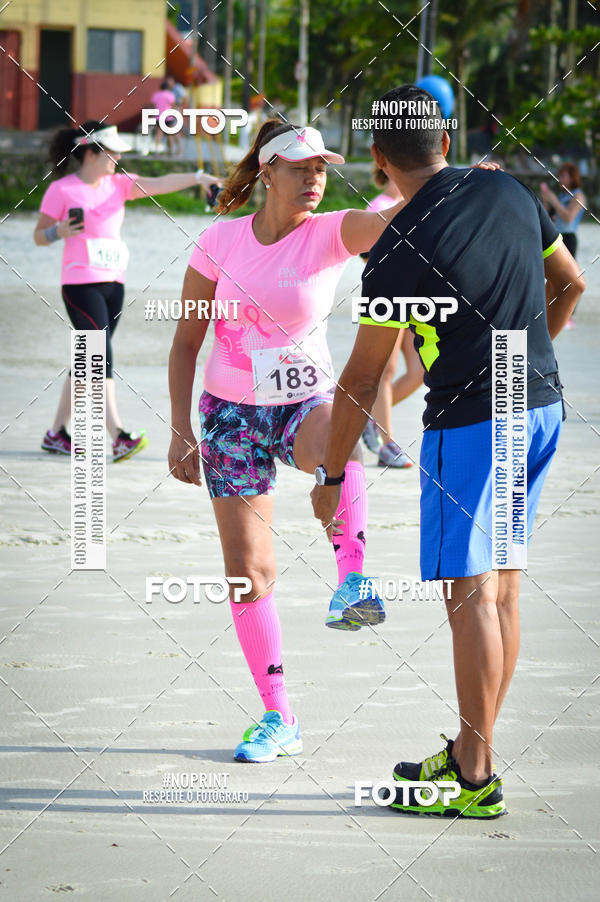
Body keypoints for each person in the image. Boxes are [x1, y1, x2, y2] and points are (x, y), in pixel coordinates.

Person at [311, 84, 585, 817]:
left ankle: (475, 778)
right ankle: (472, 750)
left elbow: (363, 378)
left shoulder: (396, 252)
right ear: (446, 138)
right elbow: (571, 284)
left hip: (471, 425)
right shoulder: (514, 193)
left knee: (471, 599)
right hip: (541, 408)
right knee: (504, 589)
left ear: (376, 160)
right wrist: (525, 363)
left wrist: (332, 476)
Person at [167, 120, 406, 764]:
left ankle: (352, 579)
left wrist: (460, 189)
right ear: (267, 172)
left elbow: (395, 221)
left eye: (322, 168)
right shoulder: (218, 241)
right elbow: (187, 341)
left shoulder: (330, 232)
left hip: (305, 403)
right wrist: (179, 428)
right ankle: (279, 715)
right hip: (231, 415)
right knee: (249, 574)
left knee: (346, 433)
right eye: (300, 168)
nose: (314, 179)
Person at [35, 120, 219, 461]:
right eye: (112, 150)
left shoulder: (118, 185)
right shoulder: (61, 190)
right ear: (90, 152)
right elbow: (38, 235)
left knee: (87, 359)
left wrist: (199, 177)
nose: (118, 156)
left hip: (114, 285)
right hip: (79, 284)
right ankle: (118, 434)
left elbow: (160, 183)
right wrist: (58, 231)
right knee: (99, 356)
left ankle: (56, 433)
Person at [361, 164, 423, 469]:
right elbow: (367, 254)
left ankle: (364, 417)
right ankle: (387, 444)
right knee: (386, 371)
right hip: (387, 295)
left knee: (419, 371)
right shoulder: (380, 206)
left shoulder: (419, 199)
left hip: (416, 297)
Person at [541, 163, 586, 326]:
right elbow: (549, 218)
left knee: (570, 277)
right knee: (550, 276)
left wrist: (554, 200)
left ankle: (569, 315)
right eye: (559, 176)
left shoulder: (578, 196)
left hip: (569, 237)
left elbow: (568, 218)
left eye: (563, 176)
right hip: (555, 237)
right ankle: (549, 308)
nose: (560, 179)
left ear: (572, 177)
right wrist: (546, 201)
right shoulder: (561, 196)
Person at [150, 80, 179, 155]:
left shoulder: (156, 94)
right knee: (170, 134)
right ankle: (171, 150)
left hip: (159, 116)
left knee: (158, 133)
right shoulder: (170, 95)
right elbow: (173, 104)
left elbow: (153, 105)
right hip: (168, 116)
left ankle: (156, 150)